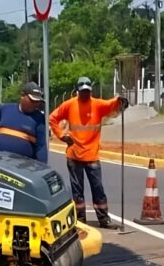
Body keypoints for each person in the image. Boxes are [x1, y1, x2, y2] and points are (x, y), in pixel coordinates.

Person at [49, 76, 129, 229]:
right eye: (82, 92)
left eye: (87, 91)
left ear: (90, 91)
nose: (85, 94)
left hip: (91, 155)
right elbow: (53, 118)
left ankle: (103, 219)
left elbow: (112, 105)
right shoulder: (69, 105)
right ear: (78, 91)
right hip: (74, 155)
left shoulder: (97, 105)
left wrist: (121, 101)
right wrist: (61, 135)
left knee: (97, 188)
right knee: (77, 190)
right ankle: (80, 219)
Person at [0, 82, 47, 163]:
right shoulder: (5, 109)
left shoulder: (39, 119)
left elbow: (41, 147)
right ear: (22, 96)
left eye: (38, 101)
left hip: (22, 166)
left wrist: (42, 168)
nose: (36, 104)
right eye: (32, 100)